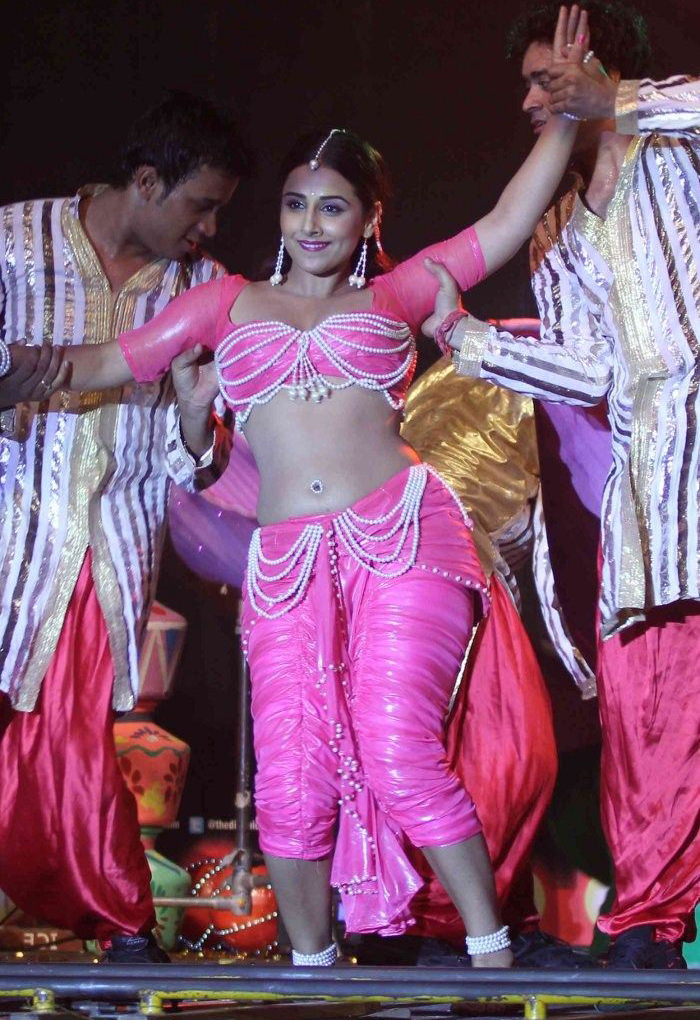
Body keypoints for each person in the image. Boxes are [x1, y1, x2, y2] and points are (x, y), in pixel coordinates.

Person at [55, 9, 587, 968]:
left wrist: (568, 118)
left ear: (369, 216)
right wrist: (22, 368)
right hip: (287, 560)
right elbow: (102, 361)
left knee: (396, 746)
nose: (309, 224)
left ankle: (492, 956)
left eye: (332, 208)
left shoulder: (401, 291)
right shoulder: (223, 303)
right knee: (292, 779)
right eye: (296, 204)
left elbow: (507, 222)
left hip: (401, 537)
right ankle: (311, 971)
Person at [423, 0, 700, 969]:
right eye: (531, 85)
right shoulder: (553, 230)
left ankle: (654, 923)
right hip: (646, 496)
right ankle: (651, 923)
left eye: (548, 80)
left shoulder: (676, 144)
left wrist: (617, 101)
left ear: (597, 71)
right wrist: (465, 338)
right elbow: (586, 371)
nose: (531, 102)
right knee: (641, 707)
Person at [0, 90, 248, 963]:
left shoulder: (204, 291)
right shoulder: (13, 242)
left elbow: (196, 464)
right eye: (200, 206)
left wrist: (195, 415)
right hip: (10, 536)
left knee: (67, 740)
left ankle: (113, 914)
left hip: (111, 550)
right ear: (146, 181)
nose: (209, 229)